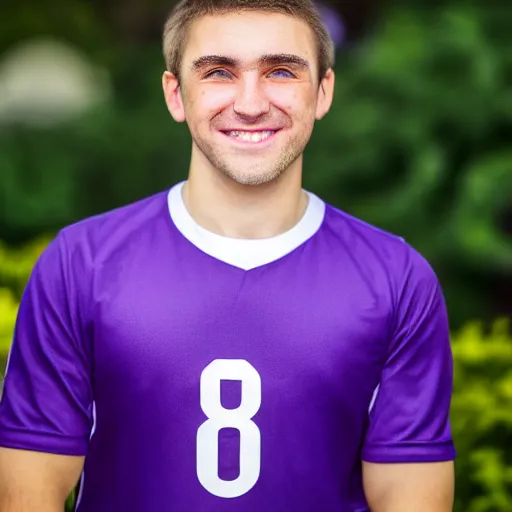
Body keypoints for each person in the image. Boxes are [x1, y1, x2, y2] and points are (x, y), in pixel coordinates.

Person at [0, 0, 456, 510]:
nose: (251, 102)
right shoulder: (80, 265)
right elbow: (30, 489)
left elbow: (409, 494)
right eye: (219, 72)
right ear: (176, 94)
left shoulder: (395, 278)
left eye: (281, 71)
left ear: (324, 91)